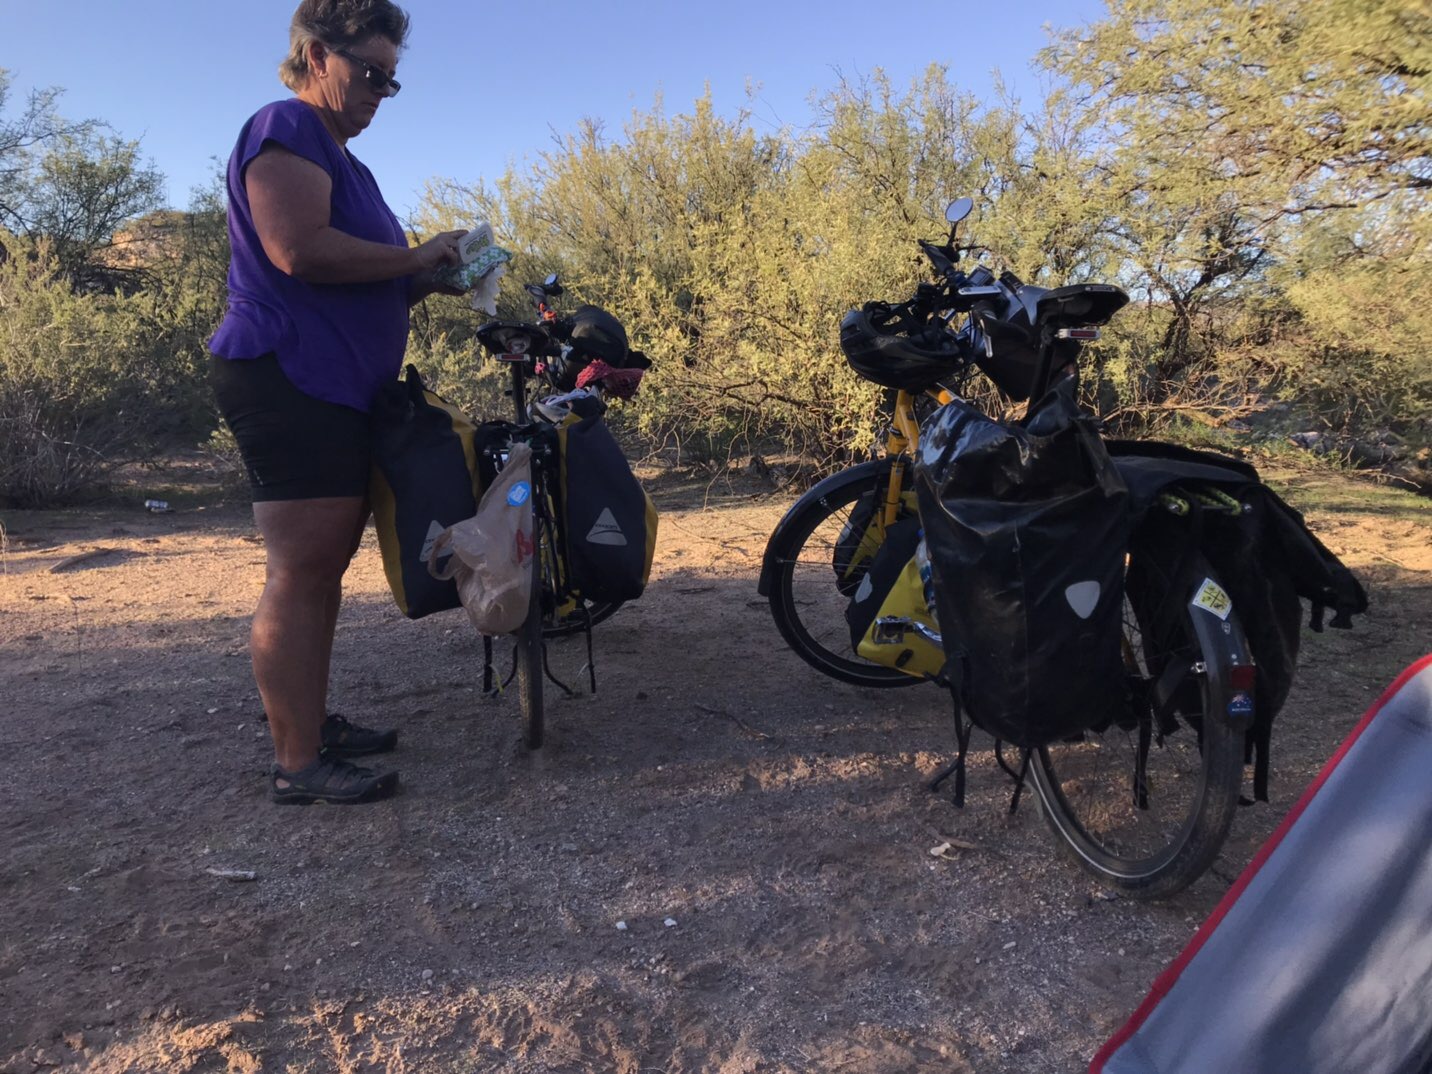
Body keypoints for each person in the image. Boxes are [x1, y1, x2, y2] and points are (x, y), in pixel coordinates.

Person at [209, 0, 466, 804]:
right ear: (318, 56)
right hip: (291, 374)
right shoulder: (285, 125)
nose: (380, 93)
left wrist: (425, 279)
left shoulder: (349, 165)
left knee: (322, 566)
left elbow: (359, 283)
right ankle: (297, 763)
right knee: (301, 569)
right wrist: (414, 256)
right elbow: (297, 250)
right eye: (370, 74)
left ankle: (311, 725)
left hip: (333, 382)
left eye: (391, 81)